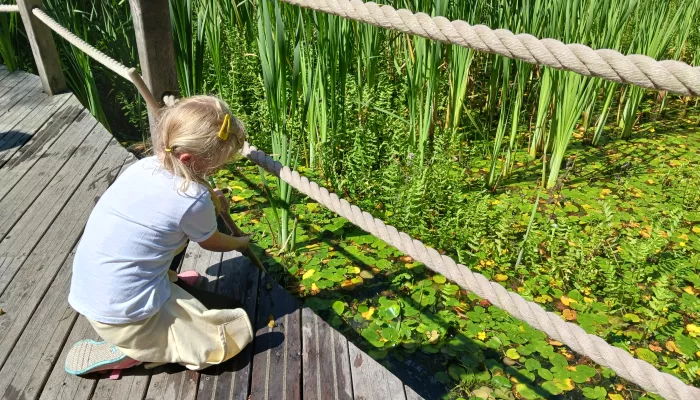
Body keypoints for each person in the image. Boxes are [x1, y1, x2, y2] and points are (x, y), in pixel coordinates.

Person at [65, 96, 253, 376]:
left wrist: (208, 200)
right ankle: (132, 351)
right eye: (215, 165)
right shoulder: (192, 199)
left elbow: (160, 216)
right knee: (227, 334)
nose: (217, 171)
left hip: (95, 294)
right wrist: (241, 242)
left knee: (163, 239)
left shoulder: (146, 166)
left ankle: (167, 284)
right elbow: (212, 241)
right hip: (127, 316)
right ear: (188, 159)